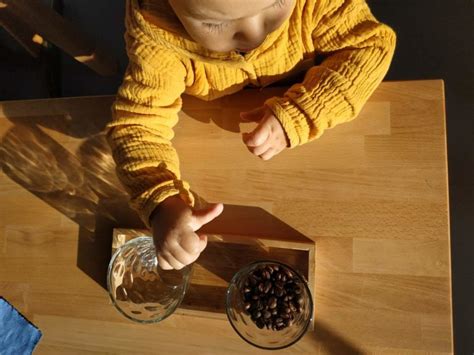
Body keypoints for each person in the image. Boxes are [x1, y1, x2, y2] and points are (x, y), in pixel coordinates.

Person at [106, 0, 396, 270]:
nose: (255, 33)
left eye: (278, 2)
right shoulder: (157, 36)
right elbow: (137, 126)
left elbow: (372, 46)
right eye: (215, 24)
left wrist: (302, 111)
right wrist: (162, 203)